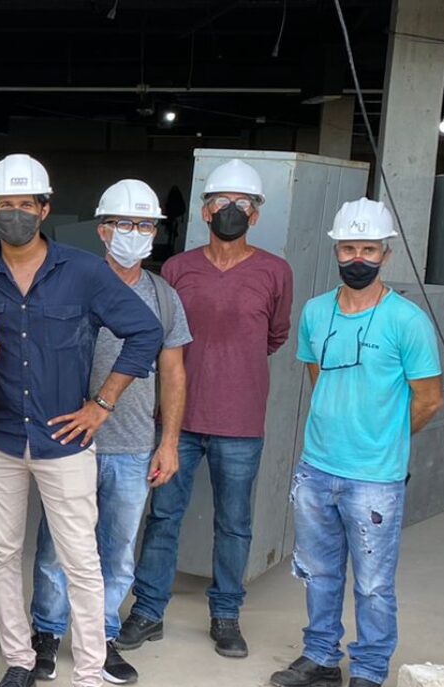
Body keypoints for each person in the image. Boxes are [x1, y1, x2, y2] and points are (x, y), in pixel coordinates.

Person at [0, 156, 163, 687]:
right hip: (0, 439)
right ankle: (19, 661)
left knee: (81, 558)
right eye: (6, 206)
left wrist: (102, 403)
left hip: (65, 442)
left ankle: (89, 676)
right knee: (3, 553)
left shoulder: (83, 271)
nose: (16, 215)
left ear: (45, 209)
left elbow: (145, 331)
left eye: (26, 205)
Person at [268, 198, 443, 687]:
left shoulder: (407, 322)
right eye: (349, 248)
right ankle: (322, 656)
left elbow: (429, 400)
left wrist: (383, 437)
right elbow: (316, 376)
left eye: (369, 248)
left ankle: (368, 671)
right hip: (317, 467)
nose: (358, 258)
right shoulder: (316, 311)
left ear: (386, 254)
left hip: (375, 478)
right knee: (319, 572)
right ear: (336, 251)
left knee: (372, 584)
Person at [124, 158, 294, 658]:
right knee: (163, 516)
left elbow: (276, 335)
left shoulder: (274, 272)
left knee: (234, 523)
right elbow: (163, 339)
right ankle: (148, 610)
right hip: (177, 422)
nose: (231, 211)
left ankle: (226, 615)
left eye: (243, 204)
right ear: (204, 210)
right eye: (222, 202)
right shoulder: (177, 269)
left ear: (256, 215)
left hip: (240, 423)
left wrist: (231, 367)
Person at [25, 178, 191, 687]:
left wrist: (168, 442)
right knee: (58, 546)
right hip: (71, 438)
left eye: (145, 225)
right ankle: (48, 635)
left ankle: (102, 634)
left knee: (117, 548)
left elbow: (174, 371)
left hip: (133, 443)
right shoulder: (74, 280)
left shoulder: (163, 297)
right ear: (103, 230)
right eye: (125, 223)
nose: (135, 233)